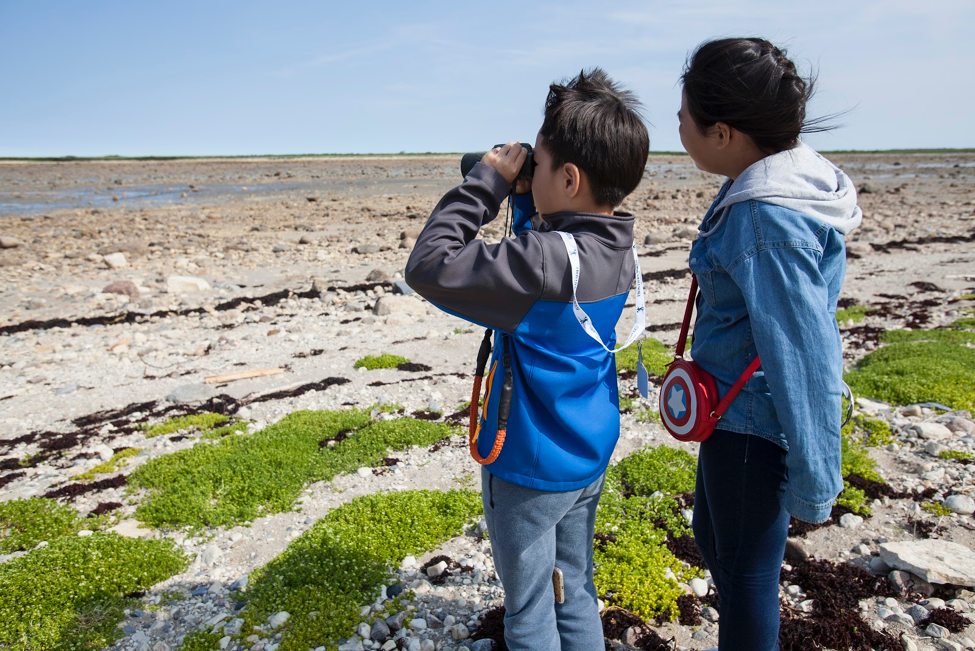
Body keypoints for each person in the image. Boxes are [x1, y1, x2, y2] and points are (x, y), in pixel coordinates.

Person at [405, 68, 649, 651]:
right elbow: (548, 249)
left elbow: (429, 265)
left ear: (568, 176)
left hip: (527, 466)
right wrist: (533, 197)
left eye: (536, 165)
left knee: (530, 609)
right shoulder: (614, 242)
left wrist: (486, 182)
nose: (527, 172)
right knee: (575, 589)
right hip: (587, 451)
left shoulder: (540, 261)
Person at [677, 38, 862, 650]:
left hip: (755, 421)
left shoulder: (766, 216)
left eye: (686, 117)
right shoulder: (779, 181)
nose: (677, 126)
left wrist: (816, 476)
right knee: (715, 538)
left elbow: (805, 350)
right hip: (732, 412)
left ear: (725, 132)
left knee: (747, 575)